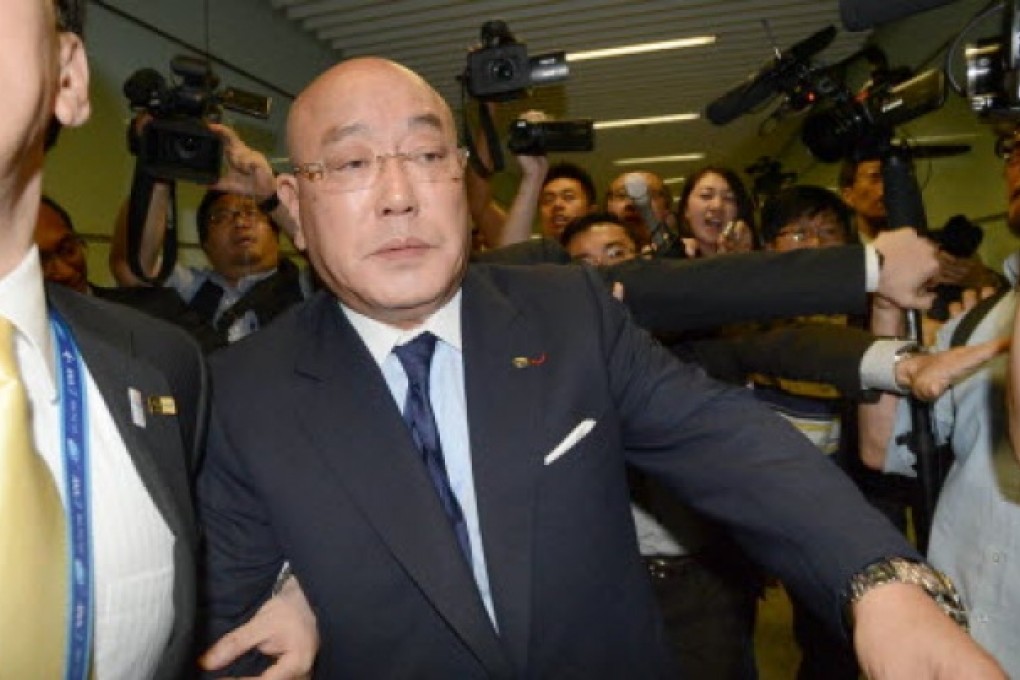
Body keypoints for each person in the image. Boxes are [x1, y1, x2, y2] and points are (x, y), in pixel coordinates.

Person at [198, 56, 1005, 677]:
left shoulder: (566, 314)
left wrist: (882, 582)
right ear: (295, 210)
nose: (399, 193)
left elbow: (728, 440)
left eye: (426, 153)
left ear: (459, 181)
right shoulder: (242, 395)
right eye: (350, 164)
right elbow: (240, 628)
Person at [860, 127, 1020, 674]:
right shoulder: (977, 319)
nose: (1018, 158)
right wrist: (886, 304)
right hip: (959, 635)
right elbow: (882, 449)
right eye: (1012, 145)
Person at [110, 125, 312, 344]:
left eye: (252, 212)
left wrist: (270, 197)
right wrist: (158, 169)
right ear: (204, 243)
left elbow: (332, 256)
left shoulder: (307, 288)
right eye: (222, 216)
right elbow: (132, 269)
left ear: (277, 232)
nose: (240, 222)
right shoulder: (189, 289)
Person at [35, 194, 225, 352]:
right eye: (40, 261)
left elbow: (228, 372)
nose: (65, 272)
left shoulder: (157, 311)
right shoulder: (9, 348)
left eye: (68, 250)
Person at [676, 165, 759, 257]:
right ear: (686, 209)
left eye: (728, 198)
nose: (717, 206)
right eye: (706, 196)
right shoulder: (669, 263)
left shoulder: (759, 262)